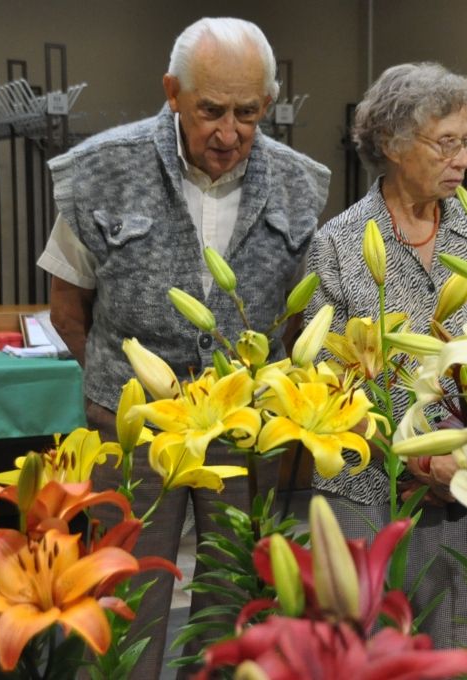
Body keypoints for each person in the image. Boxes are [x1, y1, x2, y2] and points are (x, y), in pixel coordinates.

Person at [37, 17, 330, 679]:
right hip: (133, 425)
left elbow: (297, 311)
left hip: (243, 429)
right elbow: (66, 305)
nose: (229, 133)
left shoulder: (299, 183)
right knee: (127, 593)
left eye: (248, 113)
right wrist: (114, 398)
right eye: (211, 111)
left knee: (233, 598)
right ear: (172, 92)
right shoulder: (100, 169)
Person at [304, 62, 467, 650]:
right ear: (394, 144)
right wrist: (418, 463)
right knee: (370, 649)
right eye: (447, 143)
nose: (464, 159)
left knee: (464, 649)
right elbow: (325, 385)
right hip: (370, 489)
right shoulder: (340, 245)